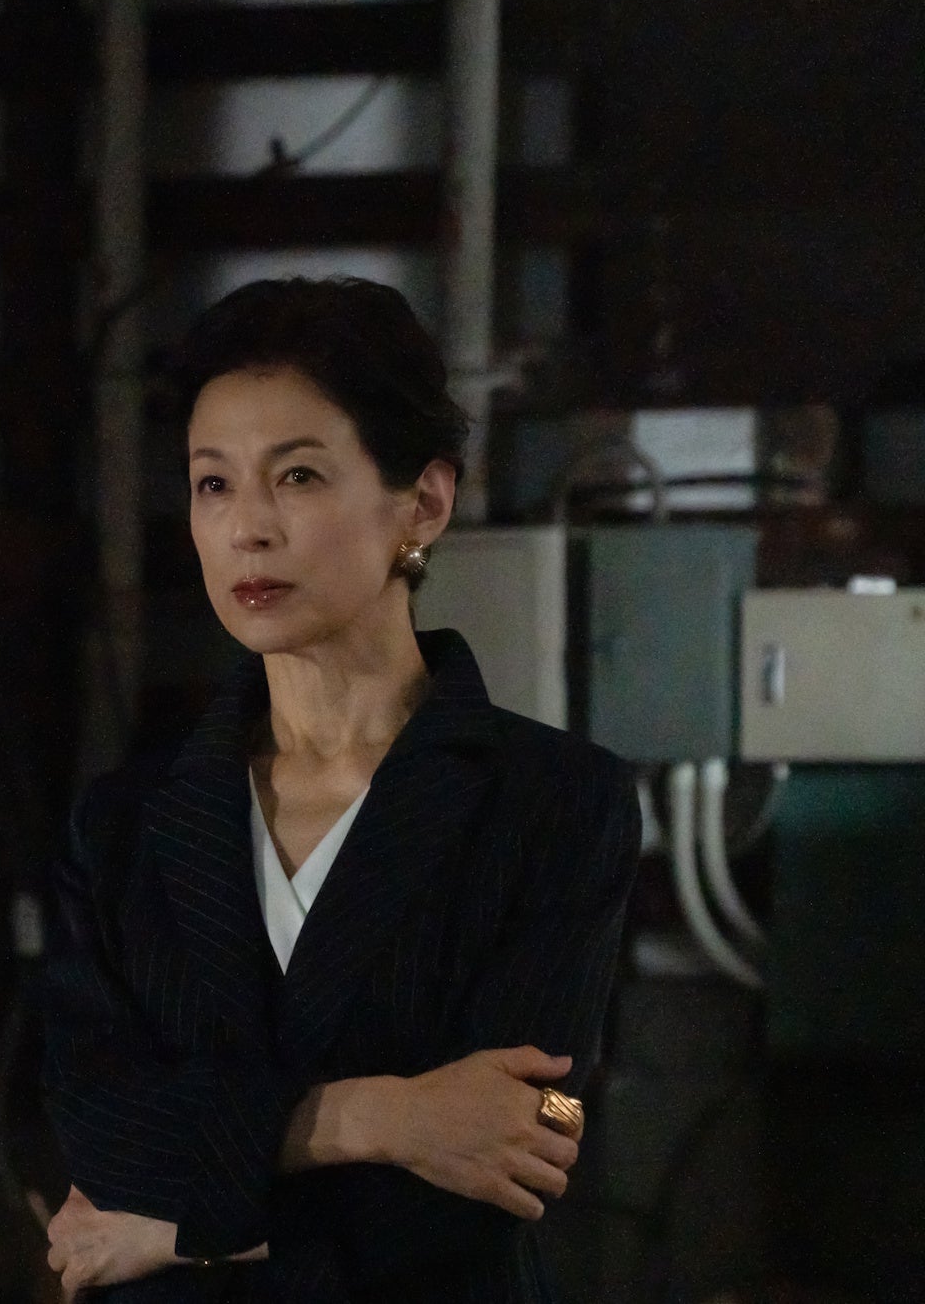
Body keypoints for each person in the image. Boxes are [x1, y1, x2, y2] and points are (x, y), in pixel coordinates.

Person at [41, 277, 642, 1301]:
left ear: (423, 504)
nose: (247, 527)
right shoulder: (121, 826)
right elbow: (102, 1136)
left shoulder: (555, 802)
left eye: (299, 475)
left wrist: (180, 1234)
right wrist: (379, 1116)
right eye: (212, 483)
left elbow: (515, 1154)